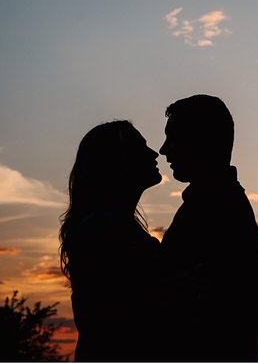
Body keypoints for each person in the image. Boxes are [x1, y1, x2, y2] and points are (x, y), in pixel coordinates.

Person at [158, 95, 258, 362]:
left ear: (200, 141)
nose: (164, 150)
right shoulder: (213, 202)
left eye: (173, 138)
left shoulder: (215, 208)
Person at [59, 120, 163, 361]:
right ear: (119, 161)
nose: (154, 153)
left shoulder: (112, 226)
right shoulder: (101, 229)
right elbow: (123, 310)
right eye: (141, 147)